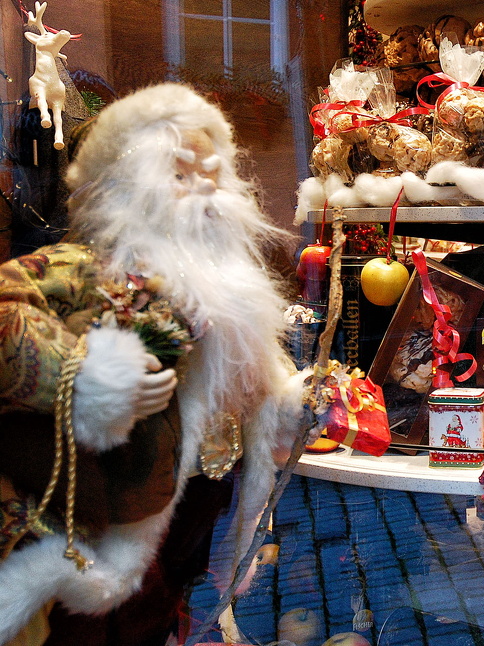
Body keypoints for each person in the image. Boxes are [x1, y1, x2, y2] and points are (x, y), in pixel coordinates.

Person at [0, 83, 311, 644]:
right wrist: (82, 376)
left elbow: (252, 380)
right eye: (180, 174)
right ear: (126, 187)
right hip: (100, 512)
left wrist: (289, 401)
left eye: (212, 173)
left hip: (200, 505)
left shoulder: (229, 285)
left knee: (166, 618)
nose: (205, 192)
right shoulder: (81, 268)